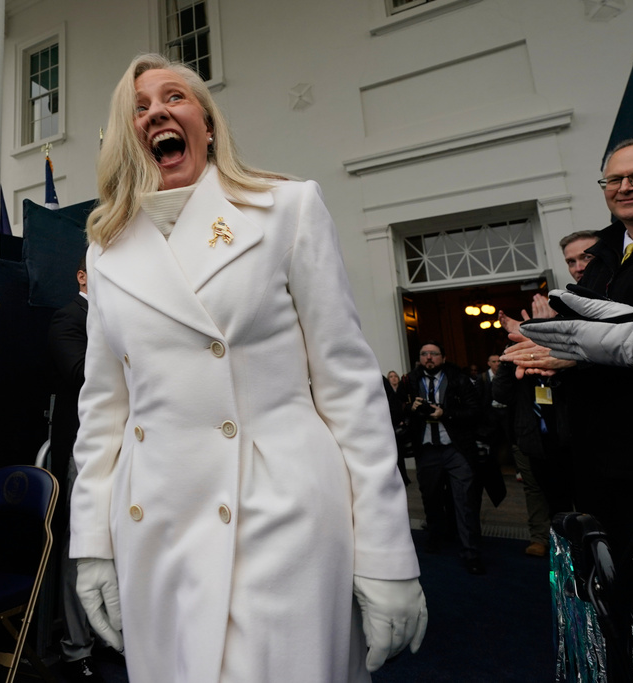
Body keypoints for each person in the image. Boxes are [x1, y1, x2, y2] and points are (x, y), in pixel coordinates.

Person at [69, 53, 425, 683]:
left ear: (206, 121)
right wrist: (92, 545)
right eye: (138, 108)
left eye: (172, 97)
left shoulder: (287, 208)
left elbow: (348, 389)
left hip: (278, 510)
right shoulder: (106, 249)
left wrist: (386, 551)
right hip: (155, 520)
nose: (155, 113)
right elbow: (103, 411)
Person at [503, 137, 633, 659]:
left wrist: (587, 352)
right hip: (597, 459)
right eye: (614, 180)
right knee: (611, 597)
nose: (625, 187)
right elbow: (578, 335)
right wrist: (547, 348)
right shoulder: (606, 254)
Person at [47, 258, 103, 683]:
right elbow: (80, 374)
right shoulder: (69, 317)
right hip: (83, 451)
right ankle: (76, 649)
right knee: (80, 547)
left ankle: (106, 636)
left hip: (126, 448)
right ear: (82, 275)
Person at [405, 341, 485, 574]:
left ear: (444, 356)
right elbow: (397, 410)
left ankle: (471, 552)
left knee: (465, 501)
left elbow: (474, 411)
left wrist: (445, 413)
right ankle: (435, 537)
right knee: (430, 498)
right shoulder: (410, 381)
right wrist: (410, 407)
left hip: (455, 449)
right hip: (427, 449)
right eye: (424, 354)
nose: (429, 357)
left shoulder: (458, 378)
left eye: (433, 354)